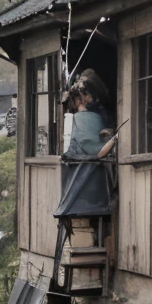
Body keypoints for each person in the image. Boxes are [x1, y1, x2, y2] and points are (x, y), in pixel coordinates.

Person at [54, 68, 117, 219]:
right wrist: (116, 138)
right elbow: (99, 152)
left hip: (81, 186)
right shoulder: (85, 119)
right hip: (90, 186)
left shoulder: (81, 118)